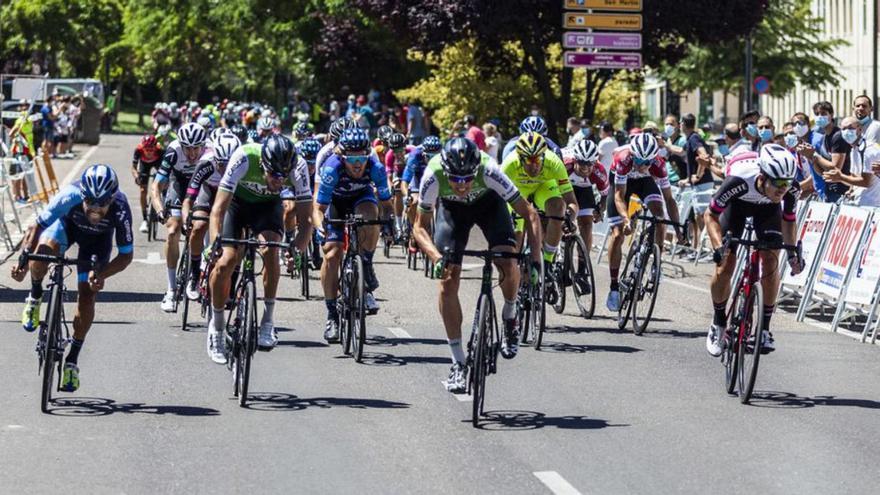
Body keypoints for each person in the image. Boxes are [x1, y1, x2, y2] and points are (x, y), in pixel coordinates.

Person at [412, 137, 542, 393]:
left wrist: (535, 260)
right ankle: (458, 362)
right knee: (447, 281)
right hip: (452, 212)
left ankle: (510, 314)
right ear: (446, 171)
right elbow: (418, 226)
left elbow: (530, 214)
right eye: (455, 180)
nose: (461, 185)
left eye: (467, 179)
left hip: (489, 205)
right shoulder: (433, 173)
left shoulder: (490, 169)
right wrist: (436, 258)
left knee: (507, 259)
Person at [12, 165, 133, 392]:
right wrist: (23, 260)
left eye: (102, 204)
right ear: (82, 196)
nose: (95, 210)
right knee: (42, 252)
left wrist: (102, 274)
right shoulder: (70, 194)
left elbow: (126, 255)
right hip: (66, 227)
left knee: (87, 295)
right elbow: (37, 225)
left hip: (97, 243)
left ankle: (72, 361)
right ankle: (36, 296)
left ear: (112, 199)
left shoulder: (121, 208)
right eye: (90, 203)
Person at [206, 135, 311, 362]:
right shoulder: (244, 157)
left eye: (285, 176)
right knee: (226, 261)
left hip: (267, 208)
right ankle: (217, 327)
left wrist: (297, 251)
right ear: (263, 164)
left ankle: (267, 321)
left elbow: (306, 221)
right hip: (237, 205)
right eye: (275, 174)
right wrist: (215, 243)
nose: (280, 180)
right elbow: (218, 210)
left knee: (271, 249)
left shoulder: (299, 167)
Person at [704, 145, 804, 356]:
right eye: (777, 183)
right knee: (725, 266)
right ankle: (719, 322)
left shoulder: (790, 188)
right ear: (762, 177)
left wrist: (792, 254)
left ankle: (765, 329)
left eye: (786, 183)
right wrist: (718, 246)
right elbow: (710, 215)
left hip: (767, 209)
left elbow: (789, 220)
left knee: (770, 261)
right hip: (737, 206)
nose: (782, 189)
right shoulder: (738, 181)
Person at [315, 128, 394, 342]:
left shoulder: (375, 168)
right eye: (352, 158)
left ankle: (365, 263)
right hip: (335, 203)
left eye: (362, 157)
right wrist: (319, 227)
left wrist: (389, 224)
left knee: (371, 214)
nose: (358, 164)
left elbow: (387, 204)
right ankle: (332, 314)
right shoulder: (332, 168)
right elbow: (318, 208)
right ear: (342, 156)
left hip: (361, 198)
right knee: (332, 254)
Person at [501, 132, 578, 322]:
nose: (534, 165)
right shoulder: (509, 165)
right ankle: (516, 282)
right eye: (528, 160)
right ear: (520, 158)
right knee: (516, 237)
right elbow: (497, 200)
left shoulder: (553, 163)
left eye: (538, 159)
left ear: (544, 155)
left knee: (558, 207)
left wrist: (569, 216)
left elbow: (571, 201)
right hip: (517, 190)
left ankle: (549, 263)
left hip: (545, 186)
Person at [604, 133, 682, 311]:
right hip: (620, 185)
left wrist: (677, 230)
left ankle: (656, 262)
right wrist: (626, 219)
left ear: (653, 159)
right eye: (638, 160)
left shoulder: (658, 165)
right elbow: (618, 196)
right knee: (618, 234)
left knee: (659, 215)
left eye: (646, 162)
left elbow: (669, 200)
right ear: (632, 155)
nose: (641, 165)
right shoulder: (623, 159)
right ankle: (614, 287)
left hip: (645, 182)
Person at [150, 122, 212, 312]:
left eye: (196, 149)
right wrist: (160, 211)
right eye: (188, 149)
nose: (192, 154)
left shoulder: (211, 151)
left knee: (205, 223)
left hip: (202, 185)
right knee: (173, 230)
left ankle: (202, 266)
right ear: (181, 145)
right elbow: (156, 187)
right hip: (179, 183)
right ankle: (171, 289)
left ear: (203, 145)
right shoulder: (173, 151)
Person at [180, 133, 242, 300]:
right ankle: (194, 275)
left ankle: (232, 286)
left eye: (229, 165)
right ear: (215, 158)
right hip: (209, 190)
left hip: (231, 195)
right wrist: (186, 220)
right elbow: (188, 199)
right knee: (198, 226)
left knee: (240, 238)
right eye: (221, 164)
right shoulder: (206, 164)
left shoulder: (243, 166)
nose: (224, 169)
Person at [562, 140, 609, 271]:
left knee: (587, 225)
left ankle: (583, 268)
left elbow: (604, 195)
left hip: (584, 189)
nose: (585, 167)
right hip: (564, 187)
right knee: (564, 220)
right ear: (575, 159)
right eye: (582, 162)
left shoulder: (599, 171)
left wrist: (601, 209)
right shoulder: (565, 165)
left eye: (590, 164)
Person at [679, 114, 715, 259]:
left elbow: (704, 156)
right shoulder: (691, 139)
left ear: (683, 124)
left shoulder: (694, 138)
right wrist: (689, 179)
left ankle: (708, 248)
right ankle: (704, 248)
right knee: (698, 216)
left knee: (702, 216)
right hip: (699, 184)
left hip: (703, 183)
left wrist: (698, 176)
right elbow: (681, 152)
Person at [823, 116, 880, 207]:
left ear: (860, 129)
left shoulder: (868, 149)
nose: (846, 132)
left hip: (872, 205)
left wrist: (840, 177)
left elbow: (866, 182)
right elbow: (854, 178)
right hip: (860, 202)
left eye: (850, 128)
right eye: (843, 129)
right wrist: (851, 189)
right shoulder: (854, 150)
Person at [400, 135, 440, 244]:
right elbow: (405, 182)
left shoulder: (444, 156)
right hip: (418, 179)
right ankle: (415, 229)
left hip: (436, 179)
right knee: (414, 201)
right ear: (423, 154)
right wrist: (407, 196)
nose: (431, 160)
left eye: (434, 157)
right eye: (429, 157)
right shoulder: (415, 156)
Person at [810, 101, 852, 202]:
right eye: (817, 114)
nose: (820, 117)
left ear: (831, 115)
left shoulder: (837, 136)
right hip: (829, 189)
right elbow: (821, 172)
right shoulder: (823, 138)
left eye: (823, 113)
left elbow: (836, 168)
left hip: (841, 191)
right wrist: (811, 157)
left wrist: (814, 155)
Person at [131, 134, 165, 233]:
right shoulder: (138, 150)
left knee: (162, 182)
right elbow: (133, 168)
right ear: (143, 148)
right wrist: (136, 176)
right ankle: (145, 219)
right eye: (147, 149)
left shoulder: (160, 151)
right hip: (144, 165)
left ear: (155, 147)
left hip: (157, 162)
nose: (149, 152)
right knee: (142, 190)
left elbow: (165, 169)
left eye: (151, 149)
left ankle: (161, 201)